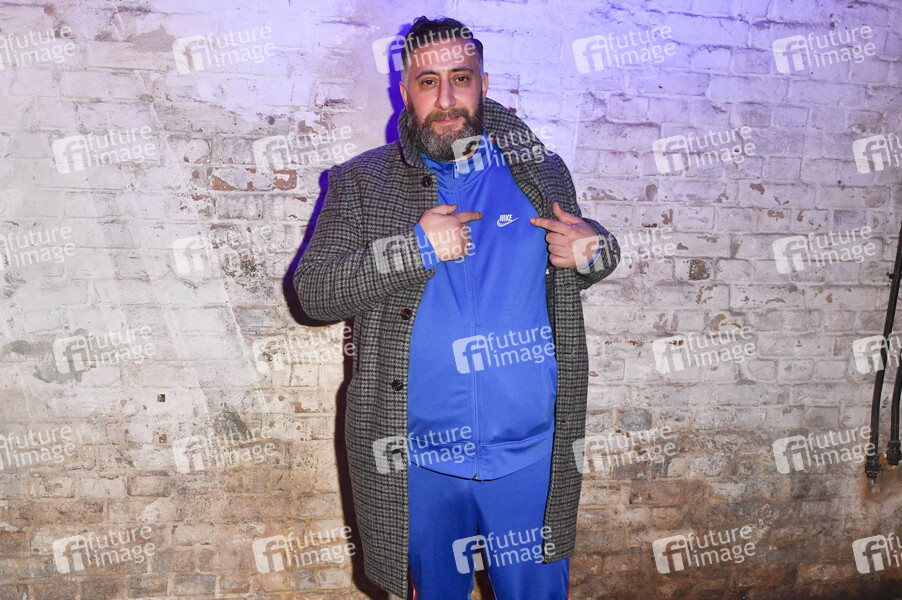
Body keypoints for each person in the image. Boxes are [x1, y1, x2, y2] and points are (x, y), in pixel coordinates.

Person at [295, 16, 619, 600]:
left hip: (530, 457)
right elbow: (313, 293)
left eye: (461, 78)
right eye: (428, 82)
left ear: (483, 84)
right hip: (417, 465)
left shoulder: (539, 170)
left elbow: (585, 249)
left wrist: (594, 251)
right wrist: (414, 249)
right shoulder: (361, 183)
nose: (446, 99)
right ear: (405, 91)